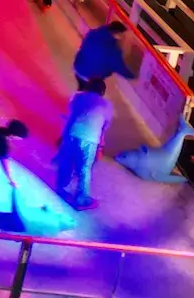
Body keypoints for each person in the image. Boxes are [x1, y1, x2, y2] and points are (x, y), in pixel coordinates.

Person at [57, 77, 114, 209]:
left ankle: (62, 186)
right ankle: (82, 199)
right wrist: (101, 143)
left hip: (71, 133)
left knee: (67, 160)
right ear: (102, 92)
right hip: (90, 138)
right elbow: (105, 125)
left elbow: (71, 115)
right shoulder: (106, 105)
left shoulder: (77, 97)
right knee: (84, 168)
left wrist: (63, 136)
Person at [74, 21, 139, 85]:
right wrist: (136, 76)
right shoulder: (112, 52)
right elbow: (125, 72)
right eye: (123, 36)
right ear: (118, 35)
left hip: (77, 67)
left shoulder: (93, 33)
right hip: (89, 79)